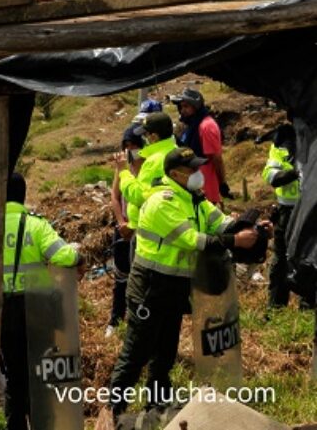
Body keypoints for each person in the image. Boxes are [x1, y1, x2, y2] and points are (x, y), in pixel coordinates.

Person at [109, 148, 265, 416]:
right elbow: (194, 241)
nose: (198, 174)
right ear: (175, 174)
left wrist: (254, 228)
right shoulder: (163, 202)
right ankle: (114, 411)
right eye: (192, 170)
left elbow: (223, 224)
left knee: (165, 352)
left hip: (175, 287)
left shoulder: (195, 199)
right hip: (150, 287)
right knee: (136, 353)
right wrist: (234, 241)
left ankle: (155, 407)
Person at [0, 173, 82, 430]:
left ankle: (15, 423)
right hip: (36, 310)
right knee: (40, 370)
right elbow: (63, 256)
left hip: (3, 311)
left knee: (13, 373)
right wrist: (78, 254)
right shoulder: (35, 225)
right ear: (23, 195)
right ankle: (42, 421)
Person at [260, 124, 304, 308]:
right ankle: (276, 306)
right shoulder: (281, 143)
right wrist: (295, 172)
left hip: (311, 210)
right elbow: (271, 176)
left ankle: (308, 304)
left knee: (309, 258)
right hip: (288, 210)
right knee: (281, 259)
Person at [107, 128, 144, 337]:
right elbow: (115, 195)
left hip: (140, 229)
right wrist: (121, 222)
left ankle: (137, 322)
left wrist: (134, 226)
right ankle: (115, 320)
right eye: (126, 147)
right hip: (123, 228)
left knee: (139, 279)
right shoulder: (123, 167)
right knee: (121, 276)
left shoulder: (146, 168)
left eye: (134, 146)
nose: (130, 151)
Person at [115, 112, 178, 230]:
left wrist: (123, 172)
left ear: (153, 137)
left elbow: (138, 196)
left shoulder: (154, 161)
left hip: (148, 225)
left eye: (146, 135)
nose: (145, 139)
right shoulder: (175, 151)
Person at [171, 88, 230, 205]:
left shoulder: (207, 126)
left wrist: (222, 183)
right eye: (181, 107)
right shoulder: (192, 125)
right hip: (191, 183)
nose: (182, 111)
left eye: (186, 106)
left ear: (196, 106)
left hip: (205, 184)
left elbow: (216, 158)